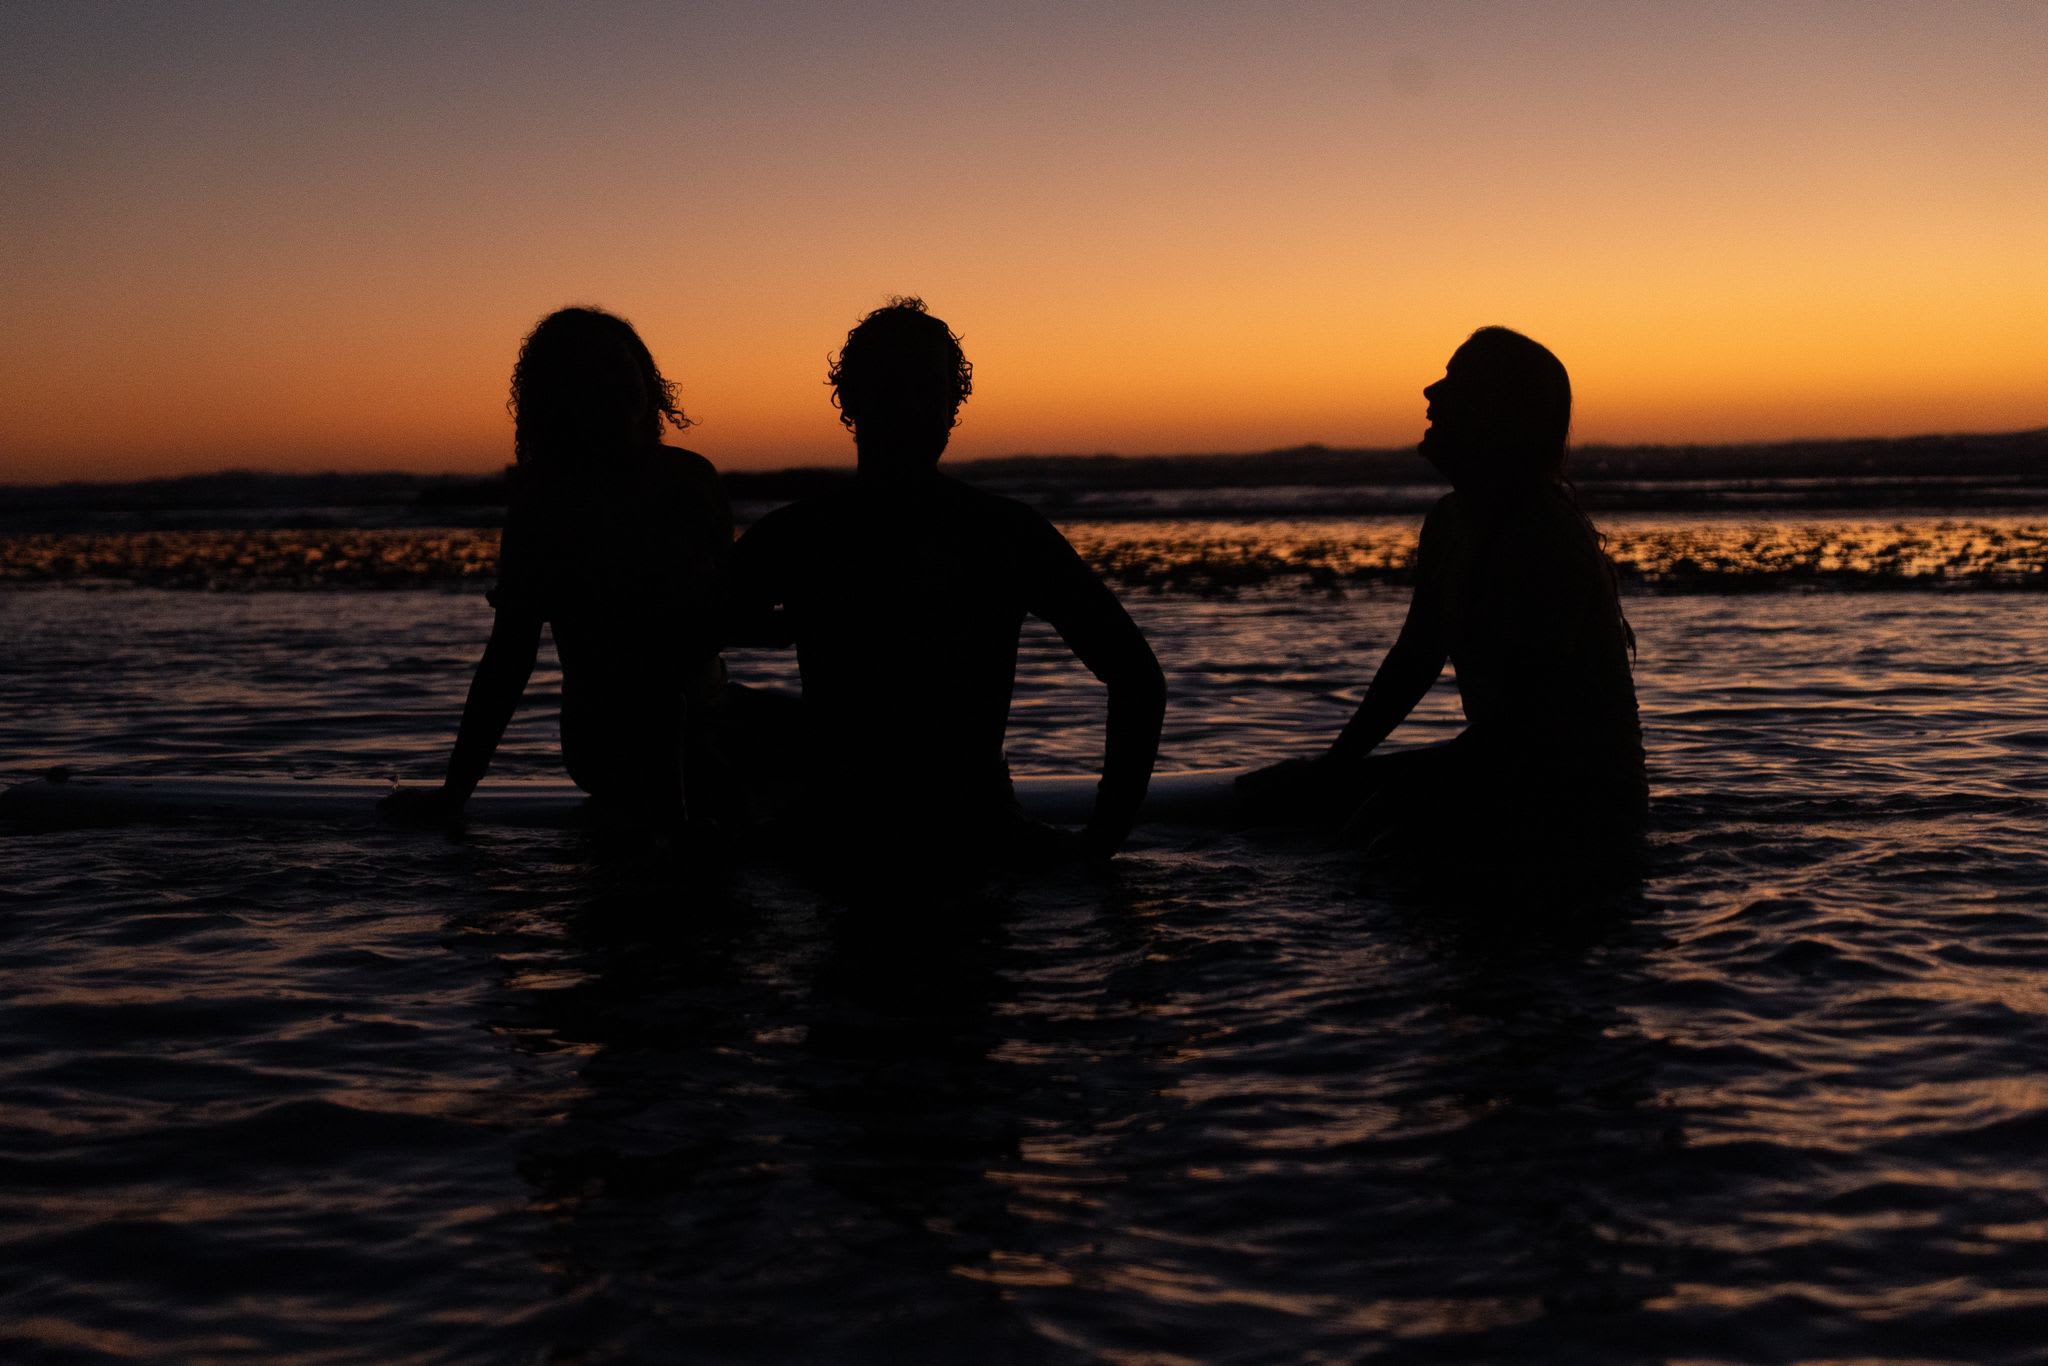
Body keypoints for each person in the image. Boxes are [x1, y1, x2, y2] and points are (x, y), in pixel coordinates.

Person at [728, 297, 1165, 869]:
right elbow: (672, 650)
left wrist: (1102, 839)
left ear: (952, 406)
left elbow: (1136, 677)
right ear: (851, 400)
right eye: (892, 387)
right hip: (871, 831)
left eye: (928, 389)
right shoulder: (806, 534)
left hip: (931, 830)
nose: (910, 407)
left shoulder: (998, 533)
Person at [1238, 326, 1646, 858]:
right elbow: (1415, 659)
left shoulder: (1544, 536)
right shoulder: (1450, 520)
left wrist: (1393, 794)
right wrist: (1334, 767)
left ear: (1498, 412)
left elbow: (1528, 722)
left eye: (1455, 381)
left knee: (1373, 841)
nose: (1431, 392)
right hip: (1505, 767)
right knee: (1301, 803)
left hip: (1582, 800)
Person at [384, 306, 731, 825]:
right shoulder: (545, 503)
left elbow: (727, 608)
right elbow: (510, 655)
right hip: (608, 737)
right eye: (590, 376)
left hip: (711, 713)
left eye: (620, 366)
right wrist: (455, 794)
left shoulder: (692, 479)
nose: (611, 385)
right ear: (562, 398)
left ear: (645, 375)